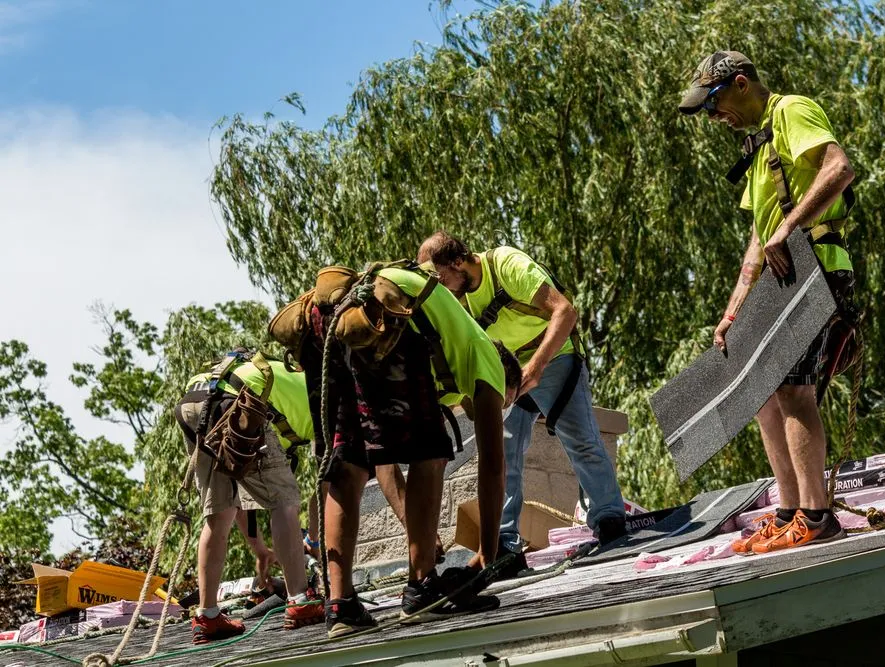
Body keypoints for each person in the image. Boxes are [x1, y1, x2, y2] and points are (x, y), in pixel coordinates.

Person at [277, 262, 522, 638]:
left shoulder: (447, 356)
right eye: (506, 401)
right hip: (388, 314)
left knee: (349, 460)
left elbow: (382, 460)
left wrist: (415, 526)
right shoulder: (485, 355)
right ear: (507, 379)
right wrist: (488, 555)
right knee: (430, 450)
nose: (496, 407)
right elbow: (493, 465)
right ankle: (422, 588)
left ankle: (340, 606)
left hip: (324, 323)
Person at [679, 51, 858, 553]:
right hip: (785, 275)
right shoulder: (759, 149)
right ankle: (787, 511)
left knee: (794, 391)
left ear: (740, 84)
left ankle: (817, 516)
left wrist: (787, 227)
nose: (714, 119)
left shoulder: (792, 111)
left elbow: (839, 167)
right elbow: (759, 240)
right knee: (763, 393)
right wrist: (733, 311)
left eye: (713, 105)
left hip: (817, 265)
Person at [418, 233, 627, 577]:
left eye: (441, 279)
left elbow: (565, 311)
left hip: (553, 355)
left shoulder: (506, 265)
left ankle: (609, 522)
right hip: (508, 368)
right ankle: (503, 544)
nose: (443, 289)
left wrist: (536, 367)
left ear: (458, 262)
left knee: (580, 439)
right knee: (503, 447)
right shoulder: (460, 300)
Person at [174, 352, 323, 643]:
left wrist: (258, 548)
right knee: (286, 503)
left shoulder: (290, 393)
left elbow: (242, 492)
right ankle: (300, 600)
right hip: (238, 400)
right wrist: (314, 543)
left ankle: (208, 616)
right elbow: (327, 484)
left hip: (193, 401)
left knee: (219, 513)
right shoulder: (323, 401)